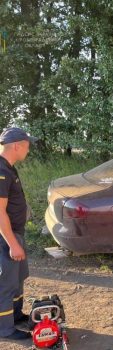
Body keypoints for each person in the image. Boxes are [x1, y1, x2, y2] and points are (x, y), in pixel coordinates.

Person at [0, 127, 37, 340]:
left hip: (15, 233)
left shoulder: (9, 168)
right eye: (27, 145)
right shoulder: (2, 171)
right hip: (6, 236)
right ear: (16, 145)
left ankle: (15, 316)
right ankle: (4, 329)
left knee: (18, 278)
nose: (28, 149)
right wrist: (13, 244)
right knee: (6, 284)